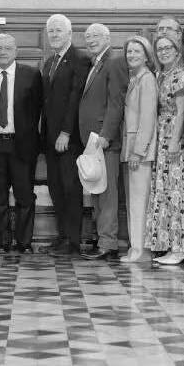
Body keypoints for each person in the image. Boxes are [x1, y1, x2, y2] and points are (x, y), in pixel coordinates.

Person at [0, 34, 44, 254]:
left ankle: (24, 243)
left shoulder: (31, 75)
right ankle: (3, 242)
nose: (3, 52)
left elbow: (38, 109)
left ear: (16, 51)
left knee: (24, 196)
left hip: (22, 145)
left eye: (8, 48)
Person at [145, 35, 184, 265]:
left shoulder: (181, 75)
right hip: (162, 135)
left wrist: (174, 139)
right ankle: (169, 244)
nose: (164, 52)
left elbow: (182, 111)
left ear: (178, 50)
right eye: (159, 49)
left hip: (173, 136)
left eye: (168, 47)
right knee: (166, 191)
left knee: (179, 190)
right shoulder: (162, 74)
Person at [39, 14, 91, 257]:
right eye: (51, 31)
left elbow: (75, 98)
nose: (54, 35)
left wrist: (66, 132)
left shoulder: (80, 59)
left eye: (58, 30)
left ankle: (73, 241)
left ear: (70, 33)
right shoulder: (50, 62)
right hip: (50, 139)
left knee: (70, 190)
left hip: (68, 139)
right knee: (56, 189)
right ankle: (62, 237)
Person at [79, 23, 130, 261]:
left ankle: (109, 244)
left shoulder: (115, 62)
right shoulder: (96, 63)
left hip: (105, 140)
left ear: (108, 38)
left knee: (107, 194)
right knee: (97, 192)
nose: (91, 40)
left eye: (96, 36)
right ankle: (102, 239)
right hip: (93, 141)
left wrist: (107, 134)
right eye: (87, 36)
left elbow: (116, 102)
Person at [121, 36, 158, 263]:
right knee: (133, 202)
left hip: (140, 152)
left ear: (146, 56)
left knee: (139, 202)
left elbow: (147, 117)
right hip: (130, 148)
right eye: (129, 51)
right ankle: (135, 248)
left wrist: (138, 151)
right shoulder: (135, 78)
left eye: (137, 51)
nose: (132, 55)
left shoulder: (147, 79)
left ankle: (141, 251)